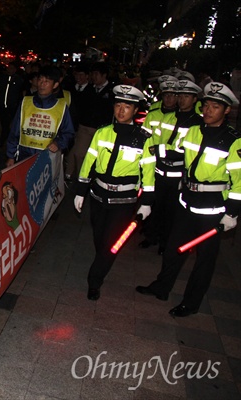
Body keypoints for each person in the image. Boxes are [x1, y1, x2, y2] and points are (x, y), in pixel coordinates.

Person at [136, 83, 241, 317]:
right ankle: (162, 287)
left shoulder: (234, 141)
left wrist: (231, 213)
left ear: (226, 111)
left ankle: (191, 303)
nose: (208, 110)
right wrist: (155, 151)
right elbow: (180, 154)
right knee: (173, 249)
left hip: (212, 209)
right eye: (206, 105)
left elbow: (239, 182)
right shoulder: (195, 129)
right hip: (186, 202)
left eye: (215, 106)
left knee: (204, 261)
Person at [74, 85, 155, 301]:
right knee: (100, 239)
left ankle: (94, 281)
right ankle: (102, 261)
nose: (121, 110)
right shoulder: (102, 132)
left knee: (111, 244)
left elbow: (148, 173)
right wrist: (80, 191)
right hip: (98, 196)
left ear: (135, 110)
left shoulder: (145, 139)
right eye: (118, 105)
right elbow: (88, 162)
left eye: (126, 106)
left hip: (124, 201)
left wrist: (146, 202)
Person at [140, 80, 203, 254]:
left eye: (186, 96)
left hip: (178, 174)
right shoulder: (168, 117)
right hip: (159, 170)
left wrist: (161, 150)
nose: (182, 100)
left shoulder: (198, 123)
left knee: (171, 212)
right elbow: (153, 141)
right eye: (180, 96)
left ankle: (165, 243)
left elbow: (185, 151)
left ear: (195, 99)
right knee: (156, 206)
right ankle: (150, 237)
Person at [5, 65, 75, 167]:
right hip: (24, 156)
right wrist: (11, 156)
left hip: (47, 158)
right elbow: (15, 131)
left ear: (55, 85)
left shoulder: (61, 107)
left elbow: (68, 133)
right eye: (40, 80)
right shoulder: (25, 102)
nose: (42, 84)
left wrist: (58, 143)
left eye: (47, 81)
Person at [138, 76, 179, 249]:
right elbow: (144, 138)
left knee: (169, 209)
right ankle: (150, 235)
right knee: (151, 203)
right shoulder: (153, 114)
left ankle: (164, 241)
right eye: (166, 94)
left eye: (173, 95)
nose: (169, 98)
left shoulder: (180, 118)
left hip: (172, 169)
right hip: (151, 167)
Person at [64, 63, 97, 183]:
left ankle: (77, 175)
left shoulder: (92, 91)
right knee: (71, 149)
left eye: (81, 75)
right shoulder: (69, 88)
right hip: (69, 124)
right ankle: (69, 173)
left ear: (87, 76)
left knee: (78, 151)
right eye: (76, 74)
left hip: (83, 126)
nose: (78, 77)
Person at [0, 61, 25, 145]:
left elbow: (20, 93)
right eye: (9, 68)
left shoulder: (19, 80)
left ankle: (7, 140)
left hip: (13, 106)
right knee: (4, 124)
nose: (9, 70)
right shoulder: (2, 78)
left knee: (10, 124)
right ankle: (3, 139)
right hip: (2, 105)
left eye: (12, 68)